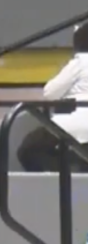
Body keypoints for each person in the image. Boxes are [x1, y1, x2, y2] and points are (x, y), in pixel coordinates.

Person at [18, 23, 88, 172]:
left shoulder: (80, 62)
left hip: (74, 125)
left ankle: (55, 181)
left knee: (28, 149)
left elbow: (49, 93)